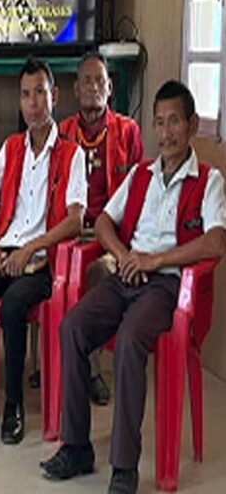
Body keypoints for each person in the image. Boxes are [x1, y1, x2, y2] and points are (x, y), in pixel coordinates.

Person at [43, 80, 226, 494]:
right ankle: (77, 446)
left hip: (168, 286)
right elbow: (104, 222)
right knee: (73, 327)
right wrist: (126, 256)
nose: (166, 133)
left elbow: (215, 241)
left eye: (174, 122)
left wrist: (156, 259)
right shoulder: (141, 173)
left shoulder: (209, 180)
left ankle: (124, 467)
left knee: (129, 341)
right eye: (159, 123)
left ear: (192, 125)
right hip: (127, 276)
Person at [0, 58, 86, 445]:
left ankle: (14, 404)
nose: (33, 103)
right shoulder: (12, 147)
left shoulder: (72, 153)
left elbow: (75, 221)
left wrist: (31, 248)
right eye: (26, 95)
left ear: (54, 95)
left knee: (13, 307)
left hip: (42, 259)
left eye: (40, 93)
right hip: (4, 249)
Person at [56, 52, 143, 405]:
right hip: (69, 229)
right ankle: (51, 359)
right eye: (86, 81)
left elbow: (137, 193)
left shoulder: (127, 131)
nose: (93, 87)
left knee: (95, 272)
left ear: (110, 89)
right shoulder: (63, 131)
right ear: (76, 90)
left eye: (100, 81)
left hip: (111, 235)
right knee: (49, 269)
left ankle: (90, 371)